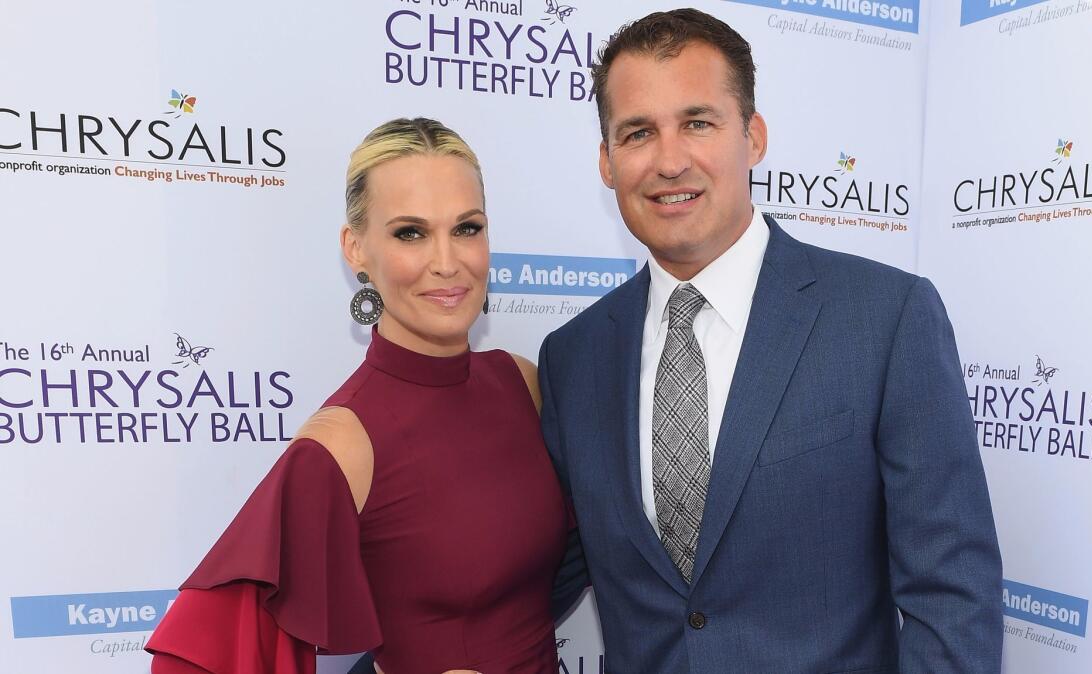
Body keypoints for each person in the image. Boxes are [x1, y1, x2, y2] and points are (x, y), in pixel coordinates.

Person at [538, 9, 1003, 673]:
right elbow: (538, 573)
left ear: (752, 137)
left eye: (698, 123)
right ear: (608, 162)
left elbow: (954, 598)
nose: (670, 161)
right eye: (638, 133)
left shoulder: (886, 319)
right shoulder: (573, 357)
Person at [146, 118, 576, 674]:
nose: (447, 262)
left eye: (467, 228)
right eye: (410, 233)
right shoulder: (343, 443)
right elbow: (203, 658)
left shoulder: (522, 383)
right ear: (356, 248)